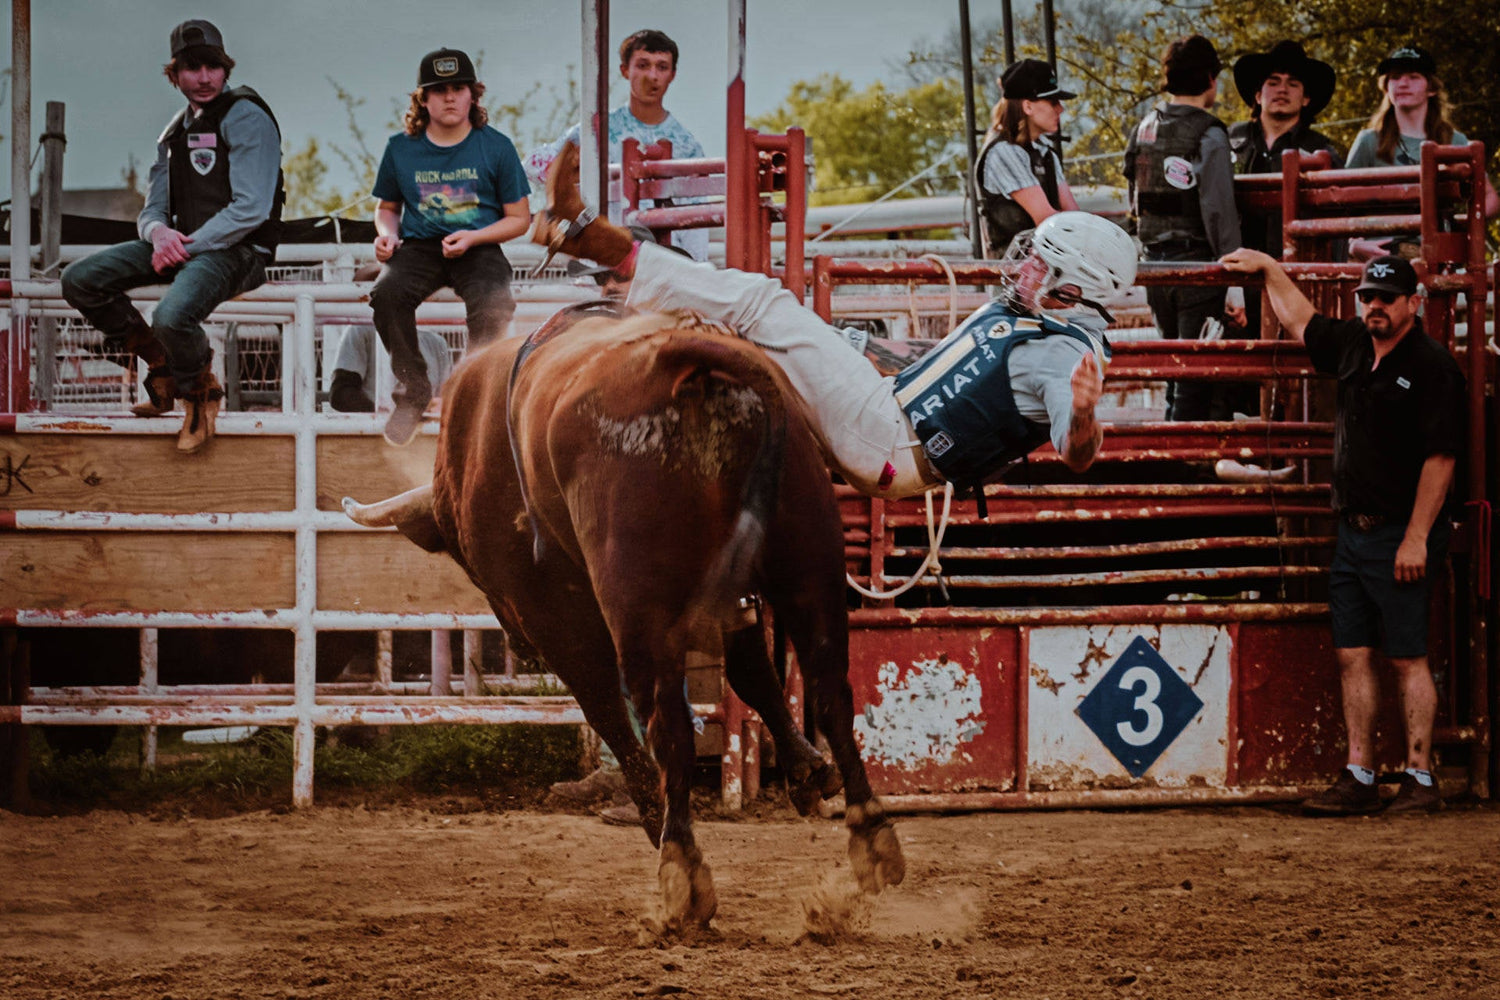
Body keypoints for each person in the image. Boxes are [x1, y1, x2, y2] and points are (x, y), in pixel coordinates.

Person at [534, 142, 1137, 503]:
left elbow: (1076, 454)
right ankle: (611, 275)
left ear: (1075, 288)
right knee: (749, 332)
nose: (1025, 265)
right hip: (891, 416)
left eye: (1042, 262)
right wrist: (862, 345)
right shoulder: (1037, 319)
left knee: (760, 304)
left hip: (894, 441)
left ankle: (593, 239)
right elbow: (953, 369)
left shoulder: (1067, 359)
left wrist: (1083, 414)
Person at [1221, 247, 1466, 815]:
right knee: (1353, 653)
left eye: (1386, 298)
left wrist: (1415, 536)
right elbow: (1301, 319)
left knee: (1407, 655)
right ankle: (1359, 773)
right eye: (1368, 298)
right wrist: (1269, 269)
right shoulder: (1357, 343)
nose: (1375, 306)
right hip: (1354, 532)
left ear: (1412, 303)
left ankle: (1421, 778)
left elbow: (1442, 458)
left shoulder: (1432, 366)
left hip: (1401, 531)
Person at [60, 19, 285, 453]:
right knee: (80, 279)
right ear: (174, 74)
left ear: (226, 70)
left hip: (239, 251)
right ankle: (160, 363)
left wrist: (183, 246)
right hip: (184, 248)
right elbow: (153, 208)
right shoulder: (174, 131)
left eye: (212, 67)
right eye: (191, 68)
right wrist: (158, 233)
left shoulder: (246, 116)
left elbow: (252, 208)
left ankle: (201, 394)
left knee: (171, 315)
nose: (203, 78)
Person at [370, 47, 532, 446]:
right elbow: (387, 209)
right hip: (420, 247)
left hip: (478, 245)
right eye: (439, 89)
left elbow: (520, 218)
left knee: (493, 301)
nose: (449, 97)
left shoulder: (495, 147)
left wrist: (475, 237)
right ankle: (413, 391)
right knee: (385, 294)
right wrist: (387, 234)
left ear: (473, 95)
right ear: (423, 99)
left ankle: (470, 389)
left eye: (459, 88)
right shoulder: (400, 148)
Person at [1124, 34, 1243, 422]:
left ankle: (1174, 454)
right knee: (1195, 371)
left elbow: (1133, 201)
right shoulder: (1210, 134)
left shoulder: (1142, 129)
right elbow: (1219, 211)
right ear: (1211, 79)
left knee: (1174, 364)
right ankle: (1184, 462)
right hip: (1196, 267)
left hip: (1153, 266)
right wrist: (1235, 279)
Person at [524, 29, 709, 261]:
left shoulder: (686, 145)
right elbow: (532, 167)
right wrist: (573, 168)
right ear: (625, 70)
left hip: (664, 258)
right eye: (643, 65)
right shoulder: (595, 130)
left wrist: (697, 268)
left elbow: (695, 221)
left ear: (672, 75)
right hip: (601, 251)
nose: (652, 76)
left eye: (661, 67)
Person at [1345, 46, 1500, 260]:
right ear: (1386, 88)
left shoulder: (1455, 140)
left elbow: (1490, 197)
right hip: (1382, 258)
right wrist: (1354, 244)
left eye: (1413, 77)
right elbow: (1339, 202)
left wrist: (1464, 224)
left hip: (1439, 255)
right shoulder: (1369, 141)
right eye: (1395, 77)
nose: (1403, 83)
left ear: (1432, 89)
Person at [975, 59, 1081, 258]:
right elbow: (1047, 219)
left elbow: (1073, 215)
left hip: (1048, 274)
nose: (1060, 109)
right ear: (1028, 107)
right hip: (1013, 281)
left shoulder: (1046, 154)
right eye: (1053, 102)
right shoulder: (1003, 153)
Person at [327, 326, 453, 414]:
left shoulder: (437, 342)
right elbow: (340, 394)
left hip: (420, 438)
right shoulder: (360, 329)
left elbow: (444, 400)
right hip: (372, 436)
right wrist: (387, 417)